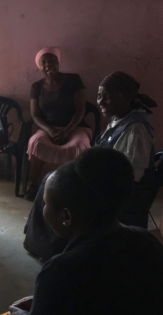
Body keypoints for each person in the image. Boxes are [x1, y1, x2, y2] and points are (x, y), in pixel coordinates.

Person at [0, 148, 163, 315]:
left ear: (66, 216)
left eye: (45, 203)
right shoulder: (148, 242)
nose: (42, 209)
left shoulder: (63, 270)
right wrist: (46, 303)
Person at [23, 71, 157, 260]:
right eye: (100, 96)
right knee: (51, 181)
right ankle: (44, 243)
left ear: (126, 98)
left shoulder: (135, 129)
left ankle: (54, 247)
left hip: (115, 192)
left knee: (59, 191)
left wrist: (88, 181)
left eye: (107, 97)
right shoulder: (120, 119)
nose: (101, 102)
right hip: (104, 182)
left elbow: (131, 176)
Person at [25, 47, 91, 200]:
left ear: (58, 62)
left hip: (76, 127)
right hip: (49, 128)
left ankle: (74, 188)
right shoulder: (36, 87)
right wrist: (50, 130)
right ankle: (35, 185)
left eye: (52, 60)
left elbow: (81, 109)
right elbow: (35, 115)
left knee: (77, 147)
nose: (49, 65)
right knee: (36, 143)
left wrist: (67, 131)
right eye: (44, 62)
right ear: (39, 66)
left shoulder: (74, 80)